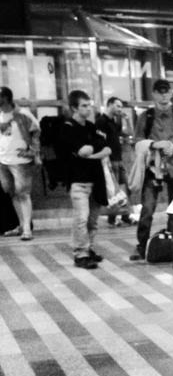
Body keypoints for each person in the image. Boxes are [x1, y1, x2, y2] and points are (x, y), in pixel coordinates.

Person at [130, 78, 173, 261]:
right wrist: (154, 144)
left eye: (167, 91)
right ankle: (142, 246)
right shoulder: (146, 117)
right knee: (148, 207)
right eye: (160, 91)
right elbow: (137, 141)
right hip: (153, 168)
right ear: (154, 94)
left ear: (171, 93)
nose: (164, 95)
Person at [57, 90, 111, 269]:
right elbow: (81, 150)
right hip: (78, 181)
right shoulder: (67, 128)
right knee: (81, 218)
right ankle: (80, 254)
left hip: (96, 180)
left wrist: (91, 154)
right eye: (84, 106)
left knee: (93, 220)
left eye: (89, 105)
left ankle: (89, 248)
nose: (88, 109)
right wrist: (91, 150)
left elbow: (106, 149)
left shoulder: (90, 126)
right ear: (74, 107)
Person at [0, 86, 41, 240]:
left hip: (20, 161)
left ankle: (27, 229)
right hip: (3, 160)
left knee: (23, 193)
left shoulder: (22, 114)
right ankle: (22, 225)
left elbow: (36, 131)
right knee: (12, 193)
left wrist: (33, 151)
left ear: (6, 98)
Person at [96, 96, 134, 227]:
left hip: (119, 159)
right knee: (114, 190)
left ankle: (125, 215)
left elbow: (128, 132)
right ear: (110, 105)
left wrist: (127, 119)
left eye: (121, 107)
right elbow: (99, 142)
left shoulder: (113, 121)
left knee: (125, 188)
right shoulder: (101, 121)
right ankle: (113, 217)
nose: (120, 109)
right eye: (118, 106)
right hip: (110, 160)